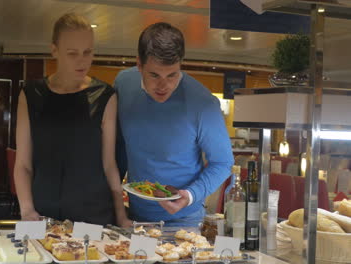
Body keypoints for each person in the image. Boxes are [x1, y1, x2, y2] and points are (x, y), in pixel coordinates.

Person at [14, 13, 131, 226]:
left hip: (94, 216)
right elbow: (23, 164)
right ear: (55, 51)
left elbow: (109, 164)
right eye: (72, 53)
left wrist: (121, 215)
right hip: (42, 214)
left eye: (88, 52)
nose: (82, 61)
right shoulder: (31, 94)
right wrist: (27, 208)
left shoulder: (105, 95)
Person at [114, 22, 234, 226]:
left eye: (172, 75)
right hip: (131, 215)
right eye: (154, 75)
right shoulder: (123, 84)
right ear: (139, 65)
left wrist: (190, 195)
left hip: (183, 218)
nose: (164, 86)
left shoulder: (203, 103)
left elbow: (223, 163)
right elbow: (118, 148)